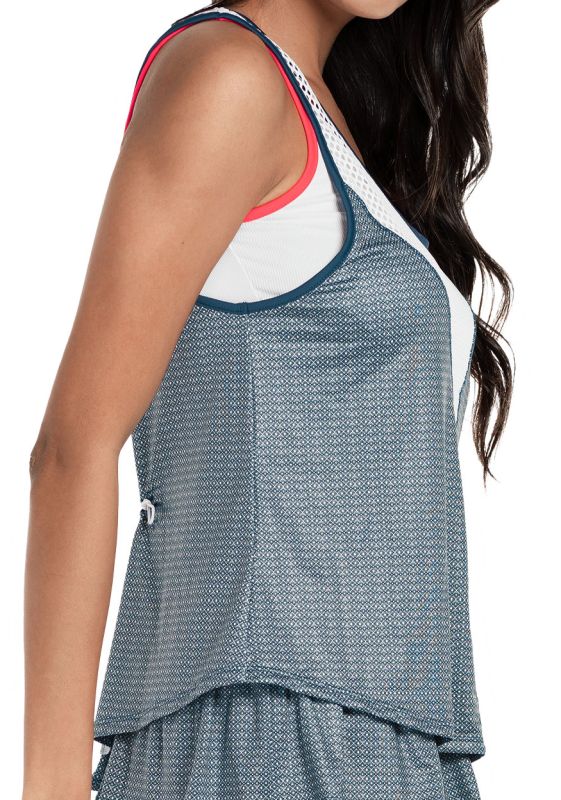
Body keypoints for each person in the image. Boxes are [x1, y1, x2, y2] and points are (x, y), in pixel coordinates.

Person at [23, 2, 513, 799]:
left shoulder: (332, 113)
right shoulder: (229, 77)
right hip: (269, 738)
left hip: (391, 739)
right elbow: (72, 448)